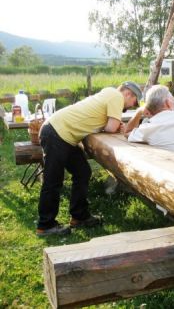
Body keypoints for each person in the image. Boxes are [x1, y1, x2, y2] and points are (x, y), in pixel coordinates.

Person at [36, 81, 142, 236]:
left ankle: (79, 216)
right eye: (134, 102)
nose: (132, 106)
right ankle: (45, 225)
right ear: (128, 94)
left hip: (63, 134)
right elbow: (111, 127)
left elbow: (106, 123)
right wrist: (114, 125)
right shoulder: (116, 96)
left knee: (82, 172)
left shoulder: (109, 93)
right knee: (53, 180)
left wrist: (112, 124)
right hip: (56, 133)